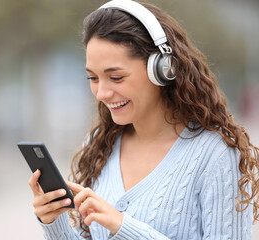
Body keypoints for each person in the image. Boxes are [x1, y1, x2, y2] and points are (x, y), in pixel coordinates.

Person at [28, 0, 259, 239]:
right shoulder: (99, 143)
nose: (102, 93)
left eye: (115, 77)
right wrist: (54, 221)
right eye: (93, 78)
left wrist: (121, 225)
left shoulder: (215, 154)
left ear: (161, 69)